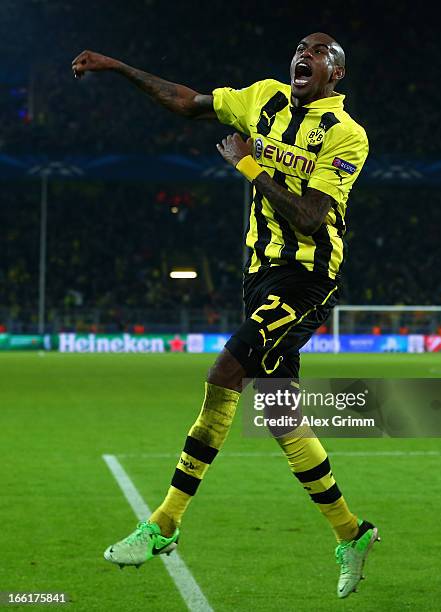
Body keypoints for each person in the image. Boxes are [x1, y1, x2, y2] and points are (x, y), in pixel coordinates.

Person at [72, 31, 378, 599]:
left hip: (307, 278)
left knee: (224, 374)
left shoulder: (346, 136)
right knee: (283, 417)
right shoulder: (262, 98)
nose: (304, 54)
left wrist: (248, 167)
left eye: (319, 52)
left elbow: (313, 217)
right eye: (300, 48)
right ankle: (352, 534)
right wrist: (119, 65)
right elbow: (187, 101)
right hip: (258, 274)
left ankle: (163, 524)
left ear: (336, 74)